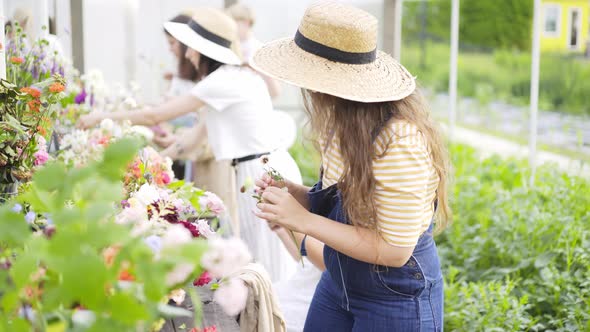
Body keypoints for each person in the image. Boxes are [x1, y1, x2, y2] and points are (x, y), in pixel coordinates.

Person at [252, 3, 451, 331]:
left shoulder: (399, 139)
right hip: (339, 284)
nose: (308, 88)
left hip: (394, 298)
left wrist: (302, 220)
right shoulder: (344, 123)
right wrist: (297, 195)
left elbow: (395, 250)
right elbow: (346, 204)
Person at [78, 7, 300, 283]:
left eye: (192, 48)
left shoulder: (222, 81)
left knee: (271, 265)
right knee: (262, 259)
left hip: (260, 171)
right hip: (257, 170)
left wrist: (99, 117)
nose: (188, 54)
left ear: (203, 51)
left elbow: (154, 116)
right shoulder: (228, 80)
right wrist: (154, 162)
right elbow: (194, 137)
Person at [225, 2, 281, 99]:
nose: (229, 27)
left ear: (246, 23)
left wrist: (258, 69)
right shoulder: (227, 48)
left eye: (233, 22)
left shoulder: (261, 51)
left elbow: (275, 92)